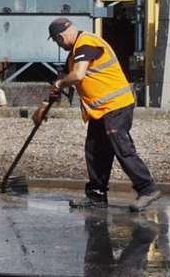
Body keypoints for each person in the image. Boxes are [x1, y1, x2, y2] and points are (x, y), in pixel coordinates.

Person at [33, 18, 161, 211]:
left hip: (116, 106)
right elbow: (61, 81)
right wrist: (45, 105)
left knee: (121, 146)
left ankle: (147, 188)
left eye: (56, 41)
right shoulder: (74, 54)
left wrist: (60, 84)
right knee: (95, 150)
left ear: (60, 37)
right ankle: (96, 195)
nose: (59, 45)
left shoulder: (87, 43)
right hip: (101, 110)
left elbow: (77, 75)